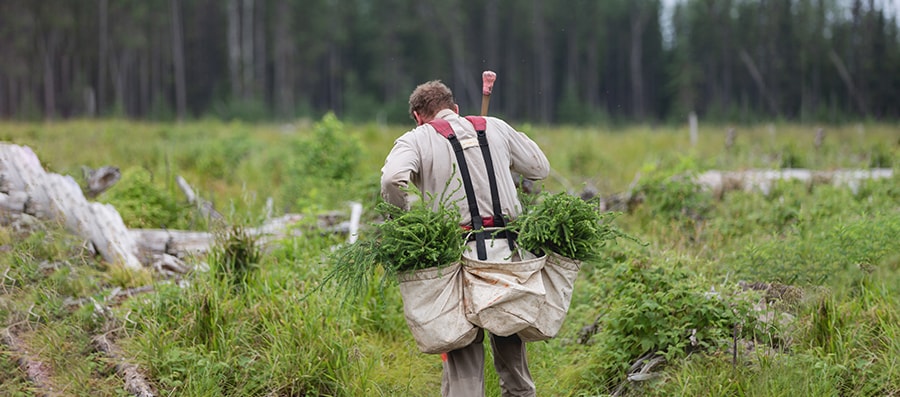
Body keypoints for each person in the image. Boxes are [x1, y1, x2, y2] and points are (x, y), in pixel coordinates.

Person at [381, 80, 550, 397]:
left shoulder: (415, 139)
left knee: (463, 365)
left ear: (418, 117)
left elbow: (392, 178)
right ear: (455, 109)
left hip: (458, 260)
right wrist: (500, 150)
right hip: (508, 259)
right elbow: (539, 168)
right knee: (513, 358)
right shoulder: (494, 126)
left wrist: (402, 220)